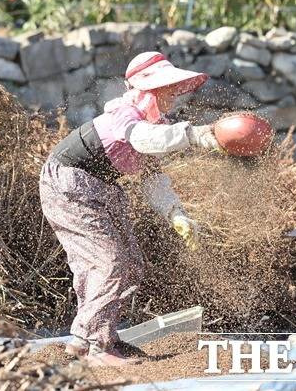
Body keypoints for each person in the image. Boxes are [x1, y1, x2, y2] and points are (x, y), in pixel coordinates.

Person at [39, 52, 224, 366]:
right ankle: (94, 345)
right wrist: (193, 135)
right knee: (108, 263)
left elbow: (154, 179)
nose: (173, 94)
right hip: (68, 184)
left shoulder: (156, 125)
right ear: (147, 89)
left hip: (102, 189)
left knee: (131, 263)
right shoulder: (126, 113)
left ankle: (100, 336)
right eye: (166, 88)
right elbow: (142, 140)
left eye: (175, 88)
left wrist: (176, 215)